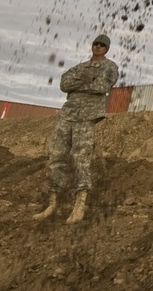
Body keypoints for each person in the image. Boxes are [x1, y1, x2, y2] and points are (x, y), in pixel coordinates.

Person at [34, 34, 119, 224]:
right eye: (96, 44)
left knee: (81, 157)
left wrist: (79, 85)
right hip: (67, 115)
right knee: (56, 156)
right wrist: (86, 80)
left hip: (86, 117)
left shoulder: (110, 67)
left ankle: (80, 204)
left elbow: (103, 86)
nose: (98, 47)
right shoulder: (80, 67)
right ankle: (53, 202)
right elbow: (64, 84)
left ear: (107, 49)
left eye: (102, 45)